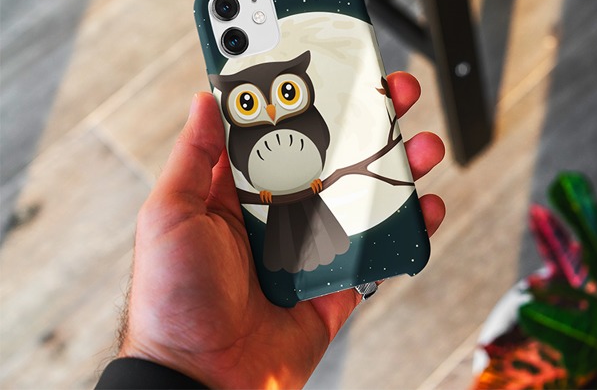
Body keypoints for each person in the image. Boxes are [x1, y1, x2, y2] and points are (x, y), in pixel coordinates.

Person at [95, 72, 446, 389]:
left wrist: (169, 359)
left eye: (287, 93)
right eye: (248, 102)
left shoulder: (311, 122)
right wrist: (172, 358)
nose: (273, 111)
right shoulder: (246, 138)